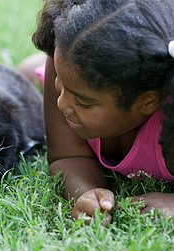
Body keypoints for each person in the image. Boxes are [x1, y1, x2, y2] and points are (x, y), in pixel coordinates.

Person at [30, 0, 174, 225]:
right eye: (61, 84)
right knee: (26, 73)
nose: (62, 104)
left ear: (148, 101)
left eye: (82, 102)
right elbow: (67, 156)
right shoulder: (68, 61)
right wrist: (87, 192)